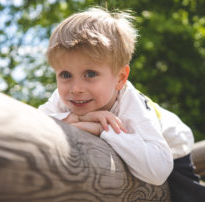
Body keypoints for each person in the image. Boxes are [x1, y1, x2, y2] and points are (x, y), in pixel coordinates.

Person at [38, 7, 205, 201]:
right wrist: (77, 118)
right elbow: (37, 121)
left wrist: (103, 129)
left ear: (120, 78)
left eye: (90, 74)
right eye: (65, 75)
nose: (75, 88)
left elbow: (158, 171)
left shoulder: (132, 104)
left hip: (173, 151)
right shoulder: (62, 97)